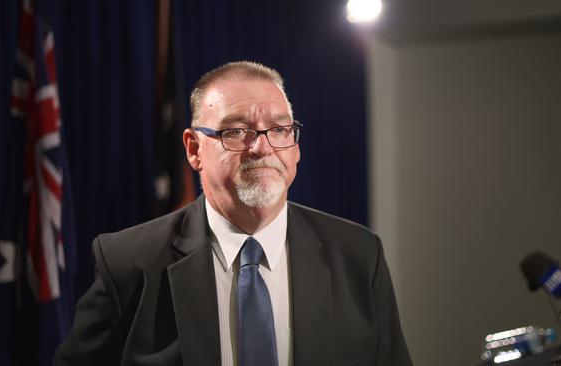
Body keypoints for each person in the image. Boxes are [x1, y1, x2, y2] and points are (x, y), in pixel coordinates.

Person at [54, 61, 411, 366]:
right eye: (237, 131)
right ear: (194, 150)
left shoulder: (359, 255)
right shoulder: (128, 262)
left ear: (295, 145)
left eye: (279, 129)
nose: (261, 148)